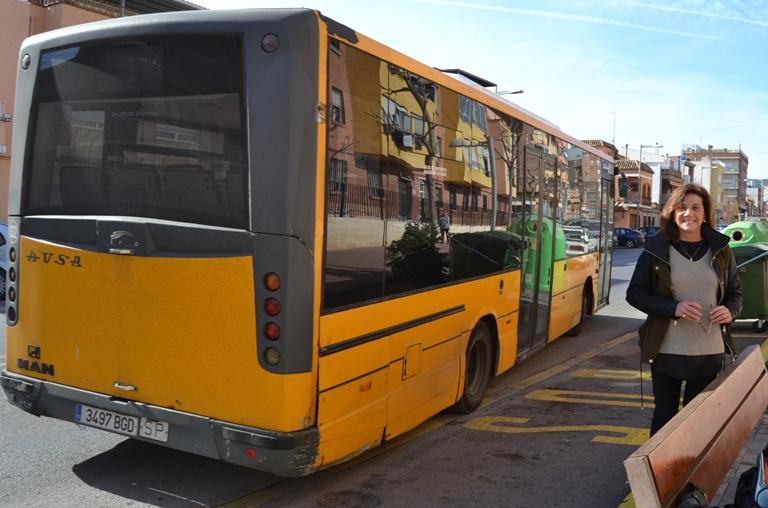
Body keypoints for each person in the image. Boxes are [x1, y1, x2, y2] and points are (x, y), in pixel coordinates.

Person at [626, 183, 742, 436]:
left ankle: (689, 475)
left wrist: (730, 311)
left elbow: (735, 293)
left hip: (709, 352)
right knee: (664, 417)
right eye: (682, 208)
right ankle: (657, 475)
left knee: (697, 422)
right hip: (667, 351)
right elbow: (634, 294)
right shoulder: (656, 250)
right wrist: (673, 307)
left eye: (695, 208)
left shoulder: (722, 251)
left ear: (705, 213)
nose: (688, 213)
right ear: (672, 212)